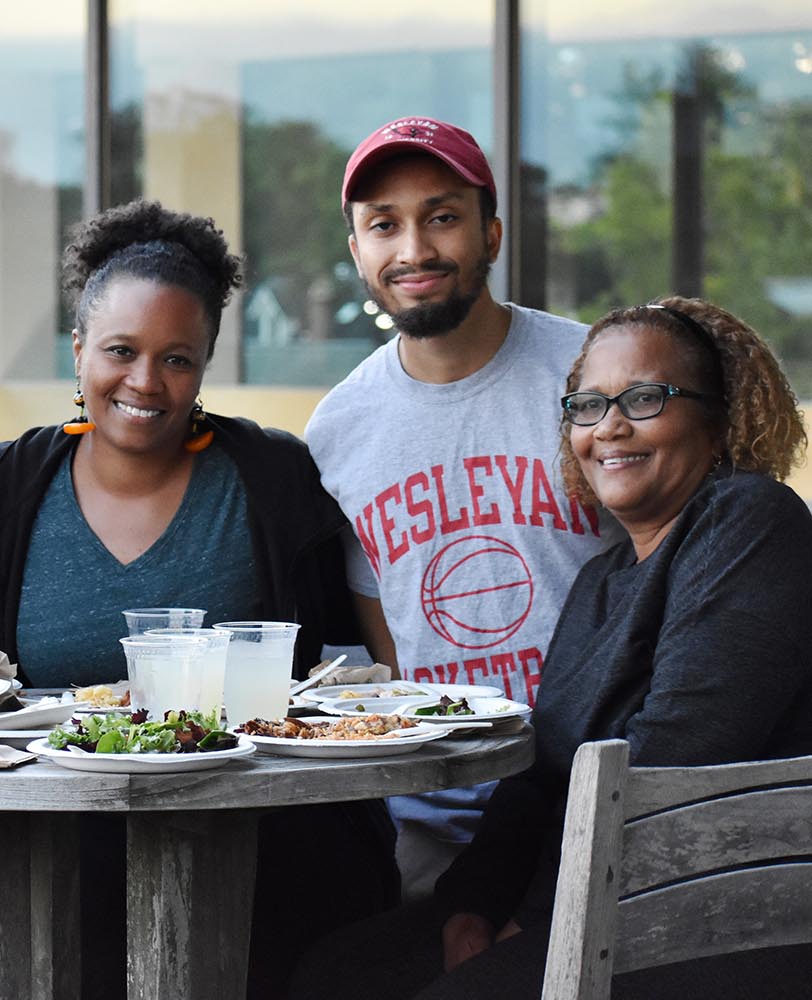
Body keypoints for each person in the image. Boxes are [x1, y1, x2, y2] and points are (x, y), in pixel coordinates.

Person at [299, 296, 812, 1000]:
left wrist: (537, 922)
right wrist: (473, 906)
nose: (611, 427)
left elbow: (674, 757)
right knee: (336, 973)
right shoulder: (602, 578)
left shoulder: (751, 523)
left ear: (718, 420)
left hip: (713, 922)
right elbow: (541, 772)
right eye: (587, 406)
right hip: (590, 901)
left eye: (644, 397)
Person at [0, 199, 391, 999]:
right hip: (55, 851)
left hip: (264, 850)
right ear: (77, 350)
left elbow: (354, 655)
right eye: (120, 351)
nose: (144, 382)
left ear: (205, 362)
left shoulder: (274, 480)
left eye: (177, 359)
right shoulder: (7, 486)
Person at [303, 116, 621, 894]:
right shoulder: (337, 428)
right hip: (433, 827)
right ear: (357, 251)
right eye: (384, 225)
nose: (413, 250)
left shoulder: (594, 375)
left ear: (493, 234)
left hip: (595, 807)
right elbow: (387, 633)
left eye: (442, 217)